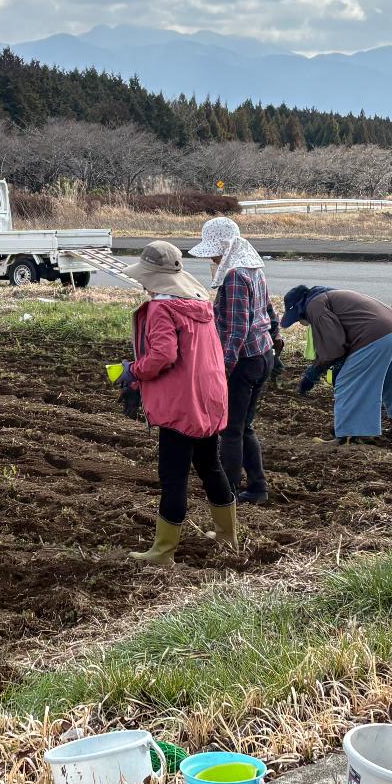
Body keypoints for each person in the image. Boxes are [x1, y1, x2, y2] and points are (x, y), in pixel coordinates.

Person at [125, 241, 237, 564]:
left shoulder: (162, 309)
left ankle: (162, 552)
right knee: (208, 464)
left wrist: (134, 370)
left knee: (173, 476)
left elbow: (163, 355)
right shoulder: (198, 304)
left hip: (180, 404)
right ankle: (228, 535)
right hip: (209, 397)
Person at [187, 216, 277, 506]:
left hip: (245, 360)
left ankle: (228, 493)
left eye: (214, 250)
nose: (211, 256)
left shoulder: (236, 275)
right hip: (263, 355)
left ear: (225, 246)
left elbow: (237, 329)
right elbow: (269, 312)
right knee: (244, 426)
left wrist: (221, 370)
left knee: (231, 430)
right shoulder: (254, 268)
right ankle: (258, 487)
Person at [281, 285, 392, 444]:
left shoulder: (313, 305)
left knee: (349, 381)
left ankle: (350, 436)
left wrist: (313, 373)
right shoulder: (331, 294)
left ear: (299, 309)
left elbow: (334, 346)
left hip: (377, 336)